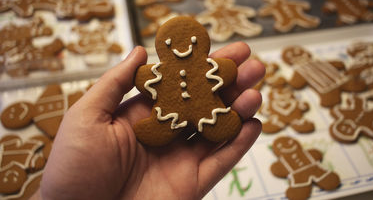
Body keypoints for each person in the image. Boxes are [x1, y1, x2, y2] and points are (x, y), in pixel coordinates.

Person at [34, 42, 265, 200]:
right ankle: (161, 127)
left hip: (206, 105)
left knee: (212, 118)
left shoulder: (207, 68)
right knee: (165, 120)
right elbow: (147, 77)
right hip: (169, 109)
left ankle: (215, 123)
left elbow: (224, 70)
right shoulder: (162, 71)